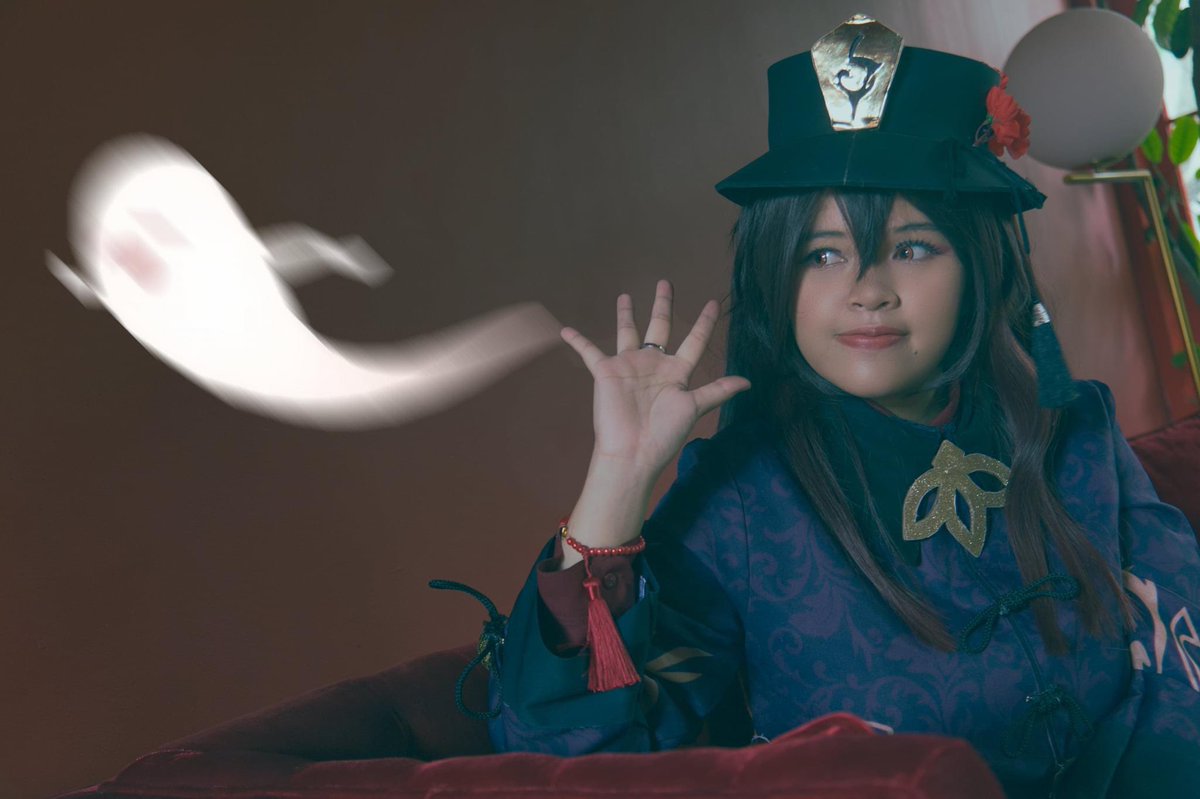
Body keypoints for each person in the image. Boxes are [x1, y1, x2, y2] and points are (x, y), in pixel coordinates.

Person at [483, 14, 1200, 798]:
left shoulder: (1079, 430)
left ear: (983, 264)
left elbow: (1184, 663)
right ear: (776, 279)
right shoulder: (740, 498)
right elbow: (568, 758)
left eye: (914, 247)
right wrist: (617, 479)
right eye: (822, 253)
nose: (867, 290)